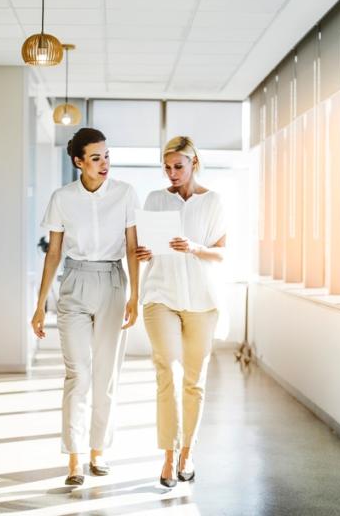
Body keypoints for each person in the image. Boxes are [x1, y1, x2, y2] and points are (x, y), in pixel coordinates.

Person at [31, 128, 140, 485]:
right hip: (74, 284)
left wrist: (135, 295)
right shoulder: (62, 198)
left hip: (112, 282)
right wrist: (39, 304)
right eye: (96, 158)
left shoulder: (125, 194)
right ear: (78, 162)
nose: (104, 163)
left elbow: (132, 248)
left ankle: (99, 451)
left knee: (105, 375)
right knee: (78, 373)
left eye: (107, 155)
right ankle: (74, 457)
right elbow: (54, 253)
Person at [136, 136, 226, 488]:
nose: (172, 173)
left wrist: (195, 248)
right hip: (161, 294)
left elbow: (222, 253)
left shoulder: (213, 201)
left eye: (178, 166)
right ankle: (168, 456)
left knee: (194, 381)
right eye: (167, 167)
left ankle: (188, 450)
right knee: (167, 372)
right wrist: (144, 253)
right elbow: (146, 247)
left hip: (202, 300)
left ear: (193, 164)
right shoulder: (155, 199)